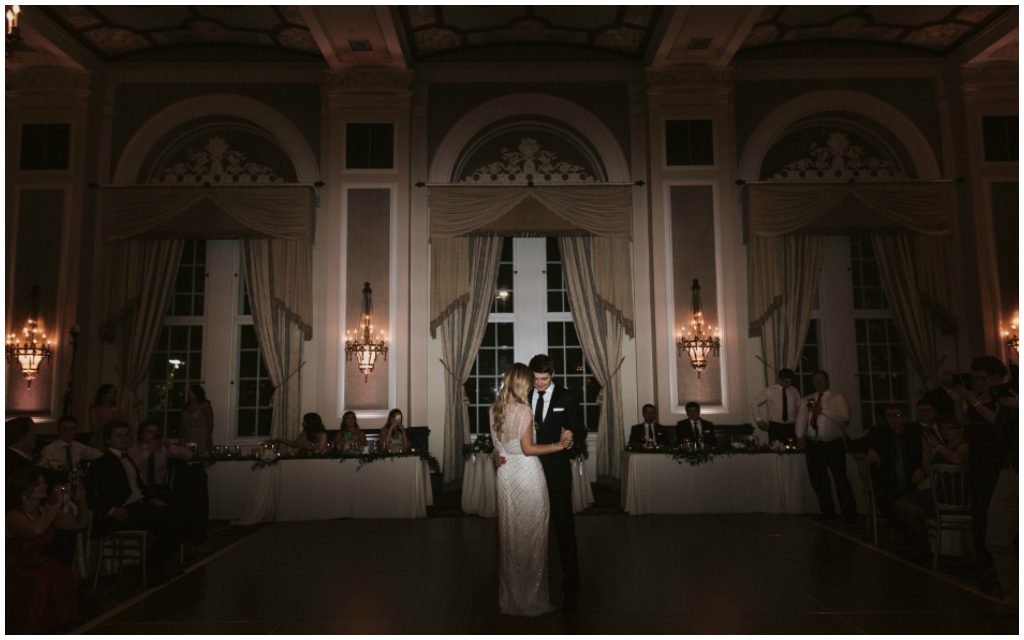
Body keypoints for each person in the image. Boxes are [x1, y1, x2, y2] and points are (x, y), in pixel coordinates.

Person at [494, 353, 586, 613]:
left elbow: (580, 429)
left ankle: (571, 589)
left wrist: (572, 434)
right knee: (525, 532)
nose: (540, 384)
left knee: (564, 530)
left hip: (555, 472)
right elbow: (507, 430)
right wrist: (497, 452)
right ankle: (526, 585)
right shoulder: (523, 398)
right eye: (535, 379)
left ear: (552, 375)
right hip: (525, 473)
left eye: (544, 379)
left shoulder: (567, 396)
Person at [85, 420, 186, 585]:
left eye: (126, 435)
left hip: (138, 506)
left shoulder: (128, 459)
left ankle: (153, 566)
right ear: (108, 440)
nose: (124, 438)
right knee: (170, 522)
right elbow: (90, 494)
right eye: (118, 435)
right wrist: (111, 510)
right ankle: (150, 569)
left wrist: (151, 499)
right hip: (121, 512)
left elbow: (138, 487)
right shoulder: (101, 463)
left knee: (178, 514)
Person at [948, 355, 1015, 568]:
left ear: (996, 378)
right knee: (979, 509)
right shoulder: (979, 398)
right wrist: (960, 403)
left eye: (983, 378)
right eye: (975, 378)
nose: (978, 383)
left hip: (998, 459)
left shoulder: (1005, 398)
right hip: (977, 459)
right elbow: (963, 424)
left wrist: (973, 401)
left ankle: (1003, 564)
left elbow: (998, 423)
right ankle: (984, 562)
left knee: (999, 513)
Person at [6, 466, 88, 634]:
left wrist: (81, 501)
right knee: (43, 582)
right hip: (13, 565)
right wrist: (55, 506)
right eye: (37, 484)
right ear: (24, 489)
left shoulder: (44, 511)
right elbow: (34, 530)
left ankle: (57, 628)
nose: (43, 487)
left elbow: (80, 524)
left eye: (43, 483)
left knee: (65, 577)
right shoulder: (13, 514)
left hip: (36, 562)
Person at [892, 417, 968, 561]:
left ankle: (922, 549)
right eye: (943, 428)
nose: (945, 432)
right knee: (901, 503)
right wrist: (926, 452)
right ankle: (920, 546)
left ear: (960, 429)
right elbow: (928, 471)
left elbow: (958, 460)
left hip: (955, 494)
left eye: (949, 428)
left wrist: (938, 447)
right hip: (939, 491)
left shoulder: (963, 446)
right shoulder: (944, 446)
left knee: (908, 508)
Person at [796, 370, 858, 524]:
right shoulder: (807, 399)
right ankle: (827, 512)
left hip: (833, 445)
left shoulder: (837, 397)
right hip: (814, 445)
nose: (818, 383)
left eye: (821, 380)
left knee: (840, 480)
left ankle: (849, 515)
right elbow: (801, 419)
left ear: (827, 381)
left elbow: (845, 417)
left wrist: (822, 411)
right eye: (815, 381)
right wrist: (799, 436)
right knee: (818, 481)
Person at [848, 405, 923, 524]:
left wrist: (921, 469)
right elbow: (851, 445)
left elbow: (927, 452)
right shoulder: (878, 433)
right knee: (887, 502)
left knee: (914, 504)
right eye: (888, 415)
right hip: (887, 482)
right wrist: (868, 450)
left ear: (905, 418)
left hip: (912, 480)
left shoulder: (915, 432)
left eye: (896, 415)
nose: (892, 419)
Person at [129, 420, 193, 500]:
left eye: (156, 432)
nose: (154, 435)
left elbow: (188, 455)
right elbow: (132, 469)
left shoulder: (163, 449)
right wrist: (148, 452)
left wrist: (169, 445)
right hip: (140, 488)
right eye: (150, 432)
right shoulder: (133, 450)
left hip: (160, 488)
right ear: (141, 434)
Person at [750, 368, 801, 444]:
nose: (788, 384)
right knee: (775, 451)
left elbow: (799, 408)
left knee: (792, 452)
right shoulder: (770, 390)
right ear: (779, 379)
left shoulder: (794, 391)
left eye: (790, 382)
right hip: (775, 427)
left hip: (791, 427)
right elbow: (754, 403)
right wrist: (758, 420)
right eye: (786, 381)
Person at [88, 383, 125, 451]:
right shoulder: (95, 409)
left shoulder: (117, 410)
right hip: (99, 441)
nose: (112, 395)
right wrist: (106, 418)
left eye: (114, 392)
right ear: (102, 394)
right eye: (109, 392)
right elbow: (94, 429)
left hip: (114, 441)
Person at [181, 384, 214, 454]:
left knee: (202, 456)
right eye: (188, 392)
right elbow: (182, 424)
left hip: (202, 436)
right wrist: (181, 437)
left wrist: (209, 437)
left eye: (191, 392)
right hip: (188, 436)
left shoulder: (205, 405)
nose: (189, 394)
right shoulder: (186, 406)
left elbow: (210, 422)